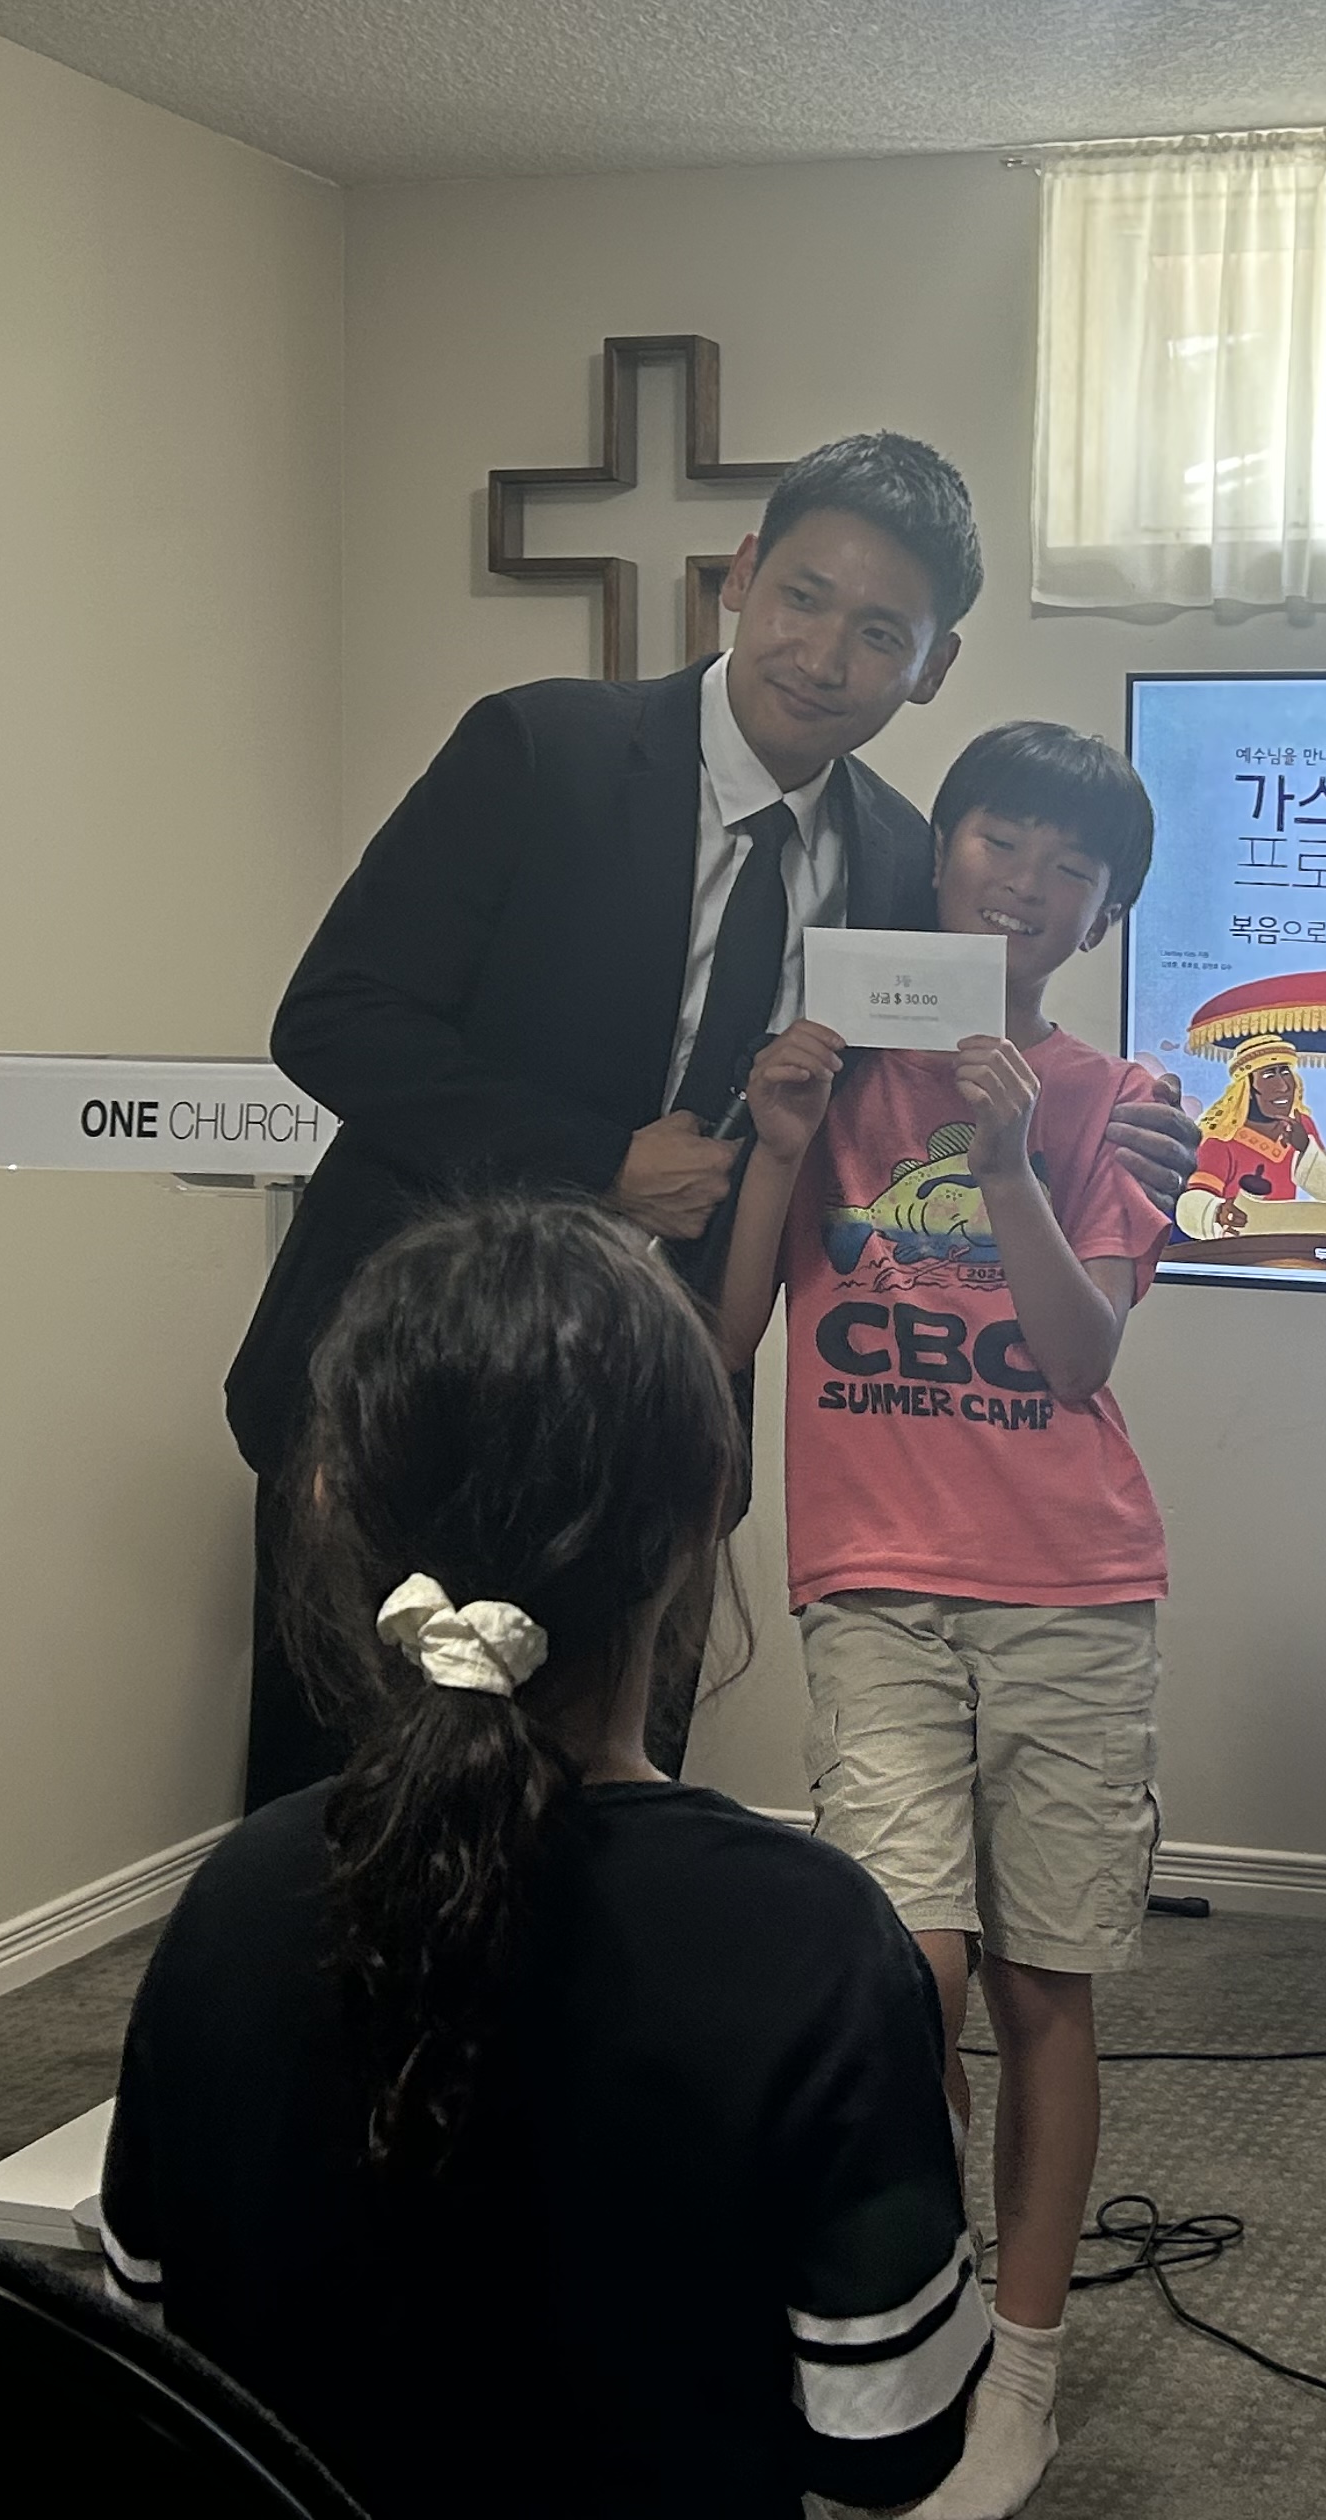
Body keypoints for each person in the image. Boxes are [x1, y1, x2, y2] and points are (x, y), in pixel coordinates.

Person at [222, 432, 1197, 1804]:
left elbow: (952, 1068)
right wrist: (599, 1165)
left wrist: (1133, 1127)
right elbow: (334, 1019)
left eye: (881, 633)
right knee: (346, 1809)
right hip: (411, 1370)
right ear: (742, 576)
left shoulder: (901, 862)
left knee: (610, 1817)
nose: (825, 655)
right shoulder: (541, 750)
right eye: (802, 597)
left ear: (933, 667)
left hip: (660, 1401)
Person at [103, 1194, 986, 2519]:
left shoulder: (232, 1902)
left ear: (333, 1500)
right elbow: (893, 2445)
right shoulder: (818, 1946)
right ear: (705, 1508)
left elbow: (154, 2352)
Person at [713, 723, 1168, 2520]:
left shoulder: (1118, 1095)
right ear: (941, 851)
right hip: (876, 1582)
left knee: (1046, 1980)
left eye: (1072, 869)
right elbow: (729, 1334)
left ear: (1103, 912)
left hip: (1070, 1586)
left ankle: (1025, 2371)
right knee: (915, 1982)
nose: (1026, 885)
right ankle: (939, 2312)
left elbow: (1078, 1353)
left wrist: (1006, 1160)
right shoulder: (829, 1067)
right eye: (1001, 841)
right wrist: (776, 1144)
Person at [1173, 1032, 1326, 1239]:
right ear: (1248, 1089)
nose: (1283, 1086)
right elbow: (1192, 1204)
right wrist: (1217, 1212)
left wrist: (1305, 1148)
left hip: (1286, 1243)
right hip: (1238, 1248)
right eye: (1269, 1075)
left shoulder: (1301, 1125)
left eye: (1285, 1072)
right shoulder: (1222, 1139)